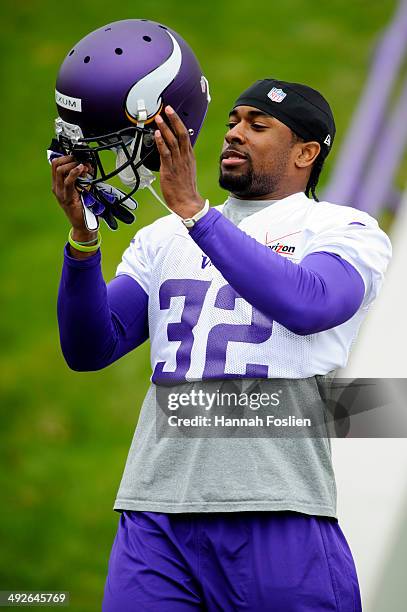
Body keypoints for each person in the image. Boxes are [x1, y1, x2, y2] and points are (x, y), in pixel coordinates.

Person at [52, 77, 391, 611]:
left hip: (278, 507)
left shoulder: (341, 227)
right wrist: (83, 241)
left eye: (259, 126)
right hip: (156, 512)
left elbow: (312, 304)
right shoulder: (164, 237)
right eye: (233, 121)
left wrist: (195, 213)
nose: (235, 133)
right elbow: (89, 348)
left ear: (306, 152)